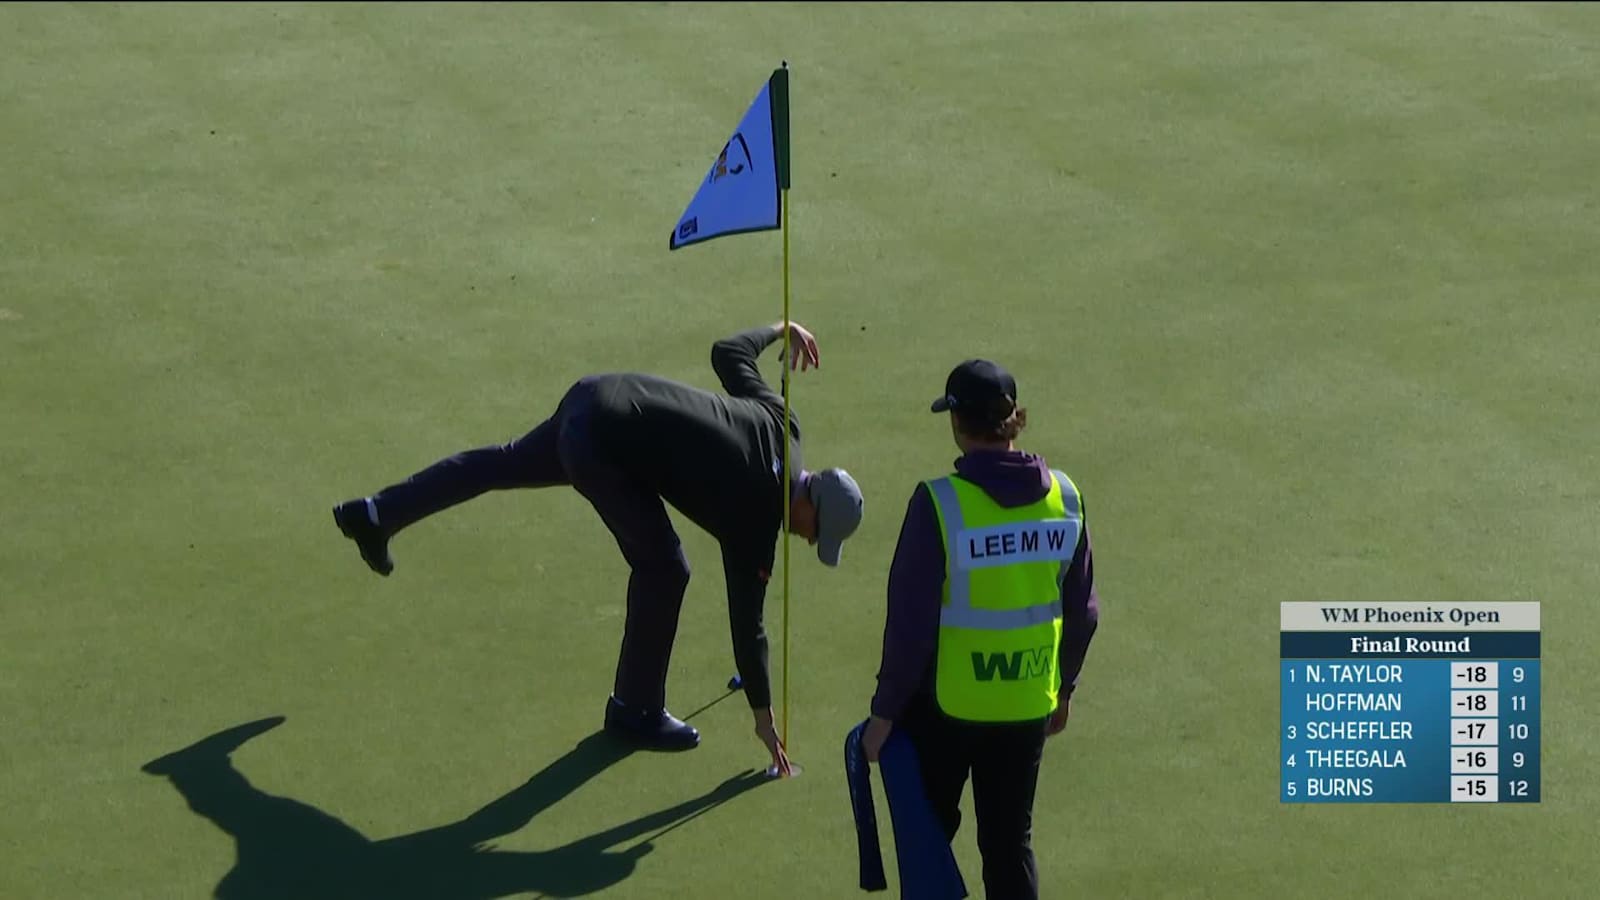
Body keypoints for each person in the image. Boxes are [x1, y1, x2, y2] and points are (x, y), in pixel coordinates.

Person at [331, 321, 864, 774]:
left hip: (593, 397)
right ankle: (635, 709)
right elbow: (749, 626)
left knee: (502, 464)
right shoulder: (757, 516)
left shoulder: (785, 426)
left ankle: (377, 514)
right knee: (665, 570)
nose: (809, 540)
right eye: (816, 532)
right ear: (812, 503)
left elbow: (728, 353)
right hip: (604, 446)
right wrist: (765, 721)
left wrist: (781, 328)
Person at [861, 359, 1099, 900]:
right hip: (1026, 703)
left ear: (957, 421)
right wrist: (1063, 689)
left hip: (946, 709)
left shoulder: (938, 504)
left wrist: (884, 713)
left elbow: (910, 626)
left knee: (930, 842)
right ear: (1012, 419)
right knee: (1010, 846)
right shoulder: (1065, 498)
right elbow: (1083, 611)